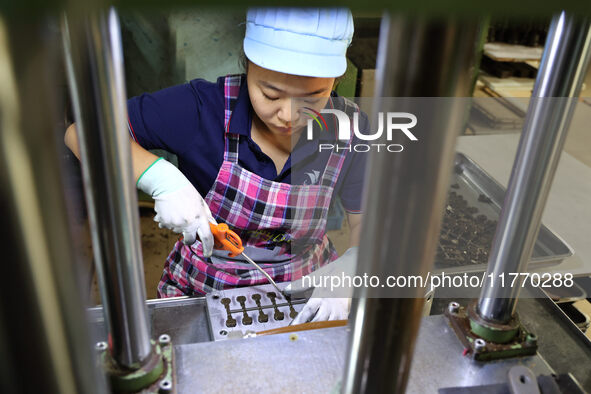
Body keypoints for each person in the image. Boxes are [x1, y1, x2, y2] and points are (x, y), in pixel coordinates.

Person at [65, 8, 366, 323]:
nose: (288, 115)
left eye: (313, 96)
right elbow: (81, 132)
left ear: (336, 79)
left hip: (308, 290)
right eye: (270, 94)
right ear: (247, 65)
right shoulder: (201, 110)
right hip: (206, 291)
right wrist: (158, 178)